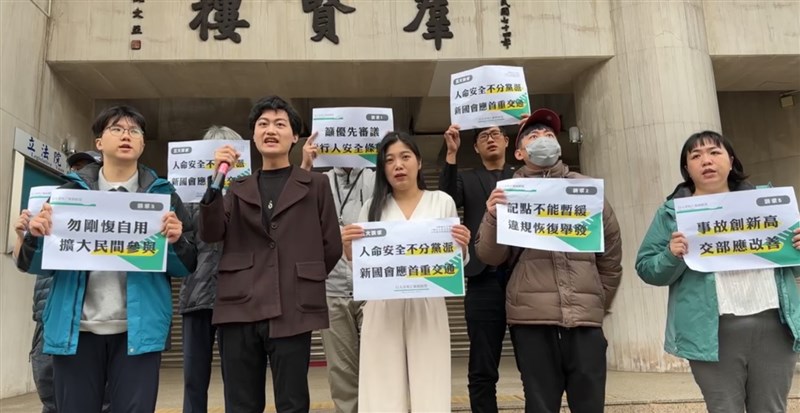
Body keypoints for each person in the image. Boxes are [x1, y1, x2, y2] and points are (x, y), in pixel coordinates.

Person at [16, 105, 198, 413]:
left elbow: (186, 266)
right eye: (116, 129)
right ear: (99, 142)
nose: (126, 136)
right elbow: (32, 265)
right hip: (76, 331)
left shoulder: (163, 197)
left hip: (138, 333)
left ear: (142, 144)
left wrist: (177, 241)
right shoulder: (67, 193)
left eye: (134, 131)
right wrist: (35, 235)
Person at [635, 131, 800, 413]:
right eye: (696, 156)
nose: (706, 161)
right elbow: (647, 269)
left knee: (771, 408)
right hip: (711, 332)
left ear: (731, 161)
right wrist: (671, 255)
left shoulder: (768, 204)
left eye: (714, 152)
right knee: (723, 408)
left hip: (775, 325)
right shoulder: (671, 214)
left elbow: (792, 265)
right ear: (687, 168)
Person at [199, 96, 342, 413]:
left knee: (293, 401)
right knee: (241, 403)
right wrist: (216, 180)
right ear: (253, 136)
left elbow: (331, 244)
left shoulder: (316, 185)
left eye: (280, 124)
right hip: (239, 306)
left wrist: (303, 278)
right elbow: (210, 233)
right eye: (262, 124)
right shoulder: (236, 187)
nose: (270, 130)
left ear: (295, 136)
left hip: (293, 307)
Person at [475, 108, 623, 413]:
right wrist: (492, 216)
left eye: (549, 134)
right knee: (540, 405)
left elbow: (610, 253)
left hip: (584, 320)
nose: (543, 139)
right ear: (519, 152)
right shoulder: (509, 194)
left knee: (590, 404)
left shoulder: (586, 190)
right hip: (531, 321)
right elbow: (490, 255)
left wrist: (597, 299)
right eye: (533, 136)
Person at [341, 132, 471, 412]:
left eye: (405, 157)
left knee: (431, 386)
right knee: (381, 389)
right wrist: (350, 249)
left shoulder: (441, 201)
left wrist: (461, 247)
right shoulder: (371, 208)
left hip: (428, 305)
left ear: (419, 162)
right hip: (382, 307)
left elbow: (455, 263)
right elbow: (361, 267)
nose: (398, 165)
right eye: (389, 160)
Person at [439, 123, 515, 413]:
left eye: (495, 134)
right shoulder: (467, 178)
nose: (490, 139)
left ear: (507, 141)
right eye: (483, 136)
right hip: (483, 279)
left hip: (523, 278)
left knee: (534, 364)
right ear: (475, 147)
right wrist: (451, 154)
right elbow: (446, 201)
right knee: (482, 366)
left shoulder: (522, 177)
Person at [300, 133, 375, 413]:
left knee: (380, 363)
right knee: (341, 370)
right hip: (332, 287)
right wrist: (306, 166)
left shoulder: (377, 178)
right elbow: (293, 211)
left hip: (373, 288)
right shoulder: (317, 181)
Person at [179, 126, 243, 413]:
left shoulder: (246, 194)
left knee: (238, 380)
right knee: (194, 380)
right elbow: (183, 244)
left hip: (236, 298)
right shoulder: (186, 196)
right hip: (196, 294)